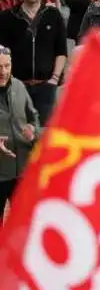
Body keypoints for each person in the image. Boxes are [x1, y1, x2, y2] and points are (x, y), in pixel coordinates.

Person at [0, 0, 67, 124]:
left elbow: (61, 50)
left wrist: (55, 78)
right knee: (18, 129)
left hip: (46, 85)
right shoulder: (6, 17)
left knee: (44, 131)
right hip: (16, 85)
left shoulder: (54, 15)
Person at [0, 46, 40, 218]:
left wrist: (33, 130)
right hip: (1, 172)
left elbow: (34, 116)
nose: (3, 72)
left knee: (23, 220)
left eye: (7, 66)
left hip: (23, 170)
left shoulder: (19, 86)